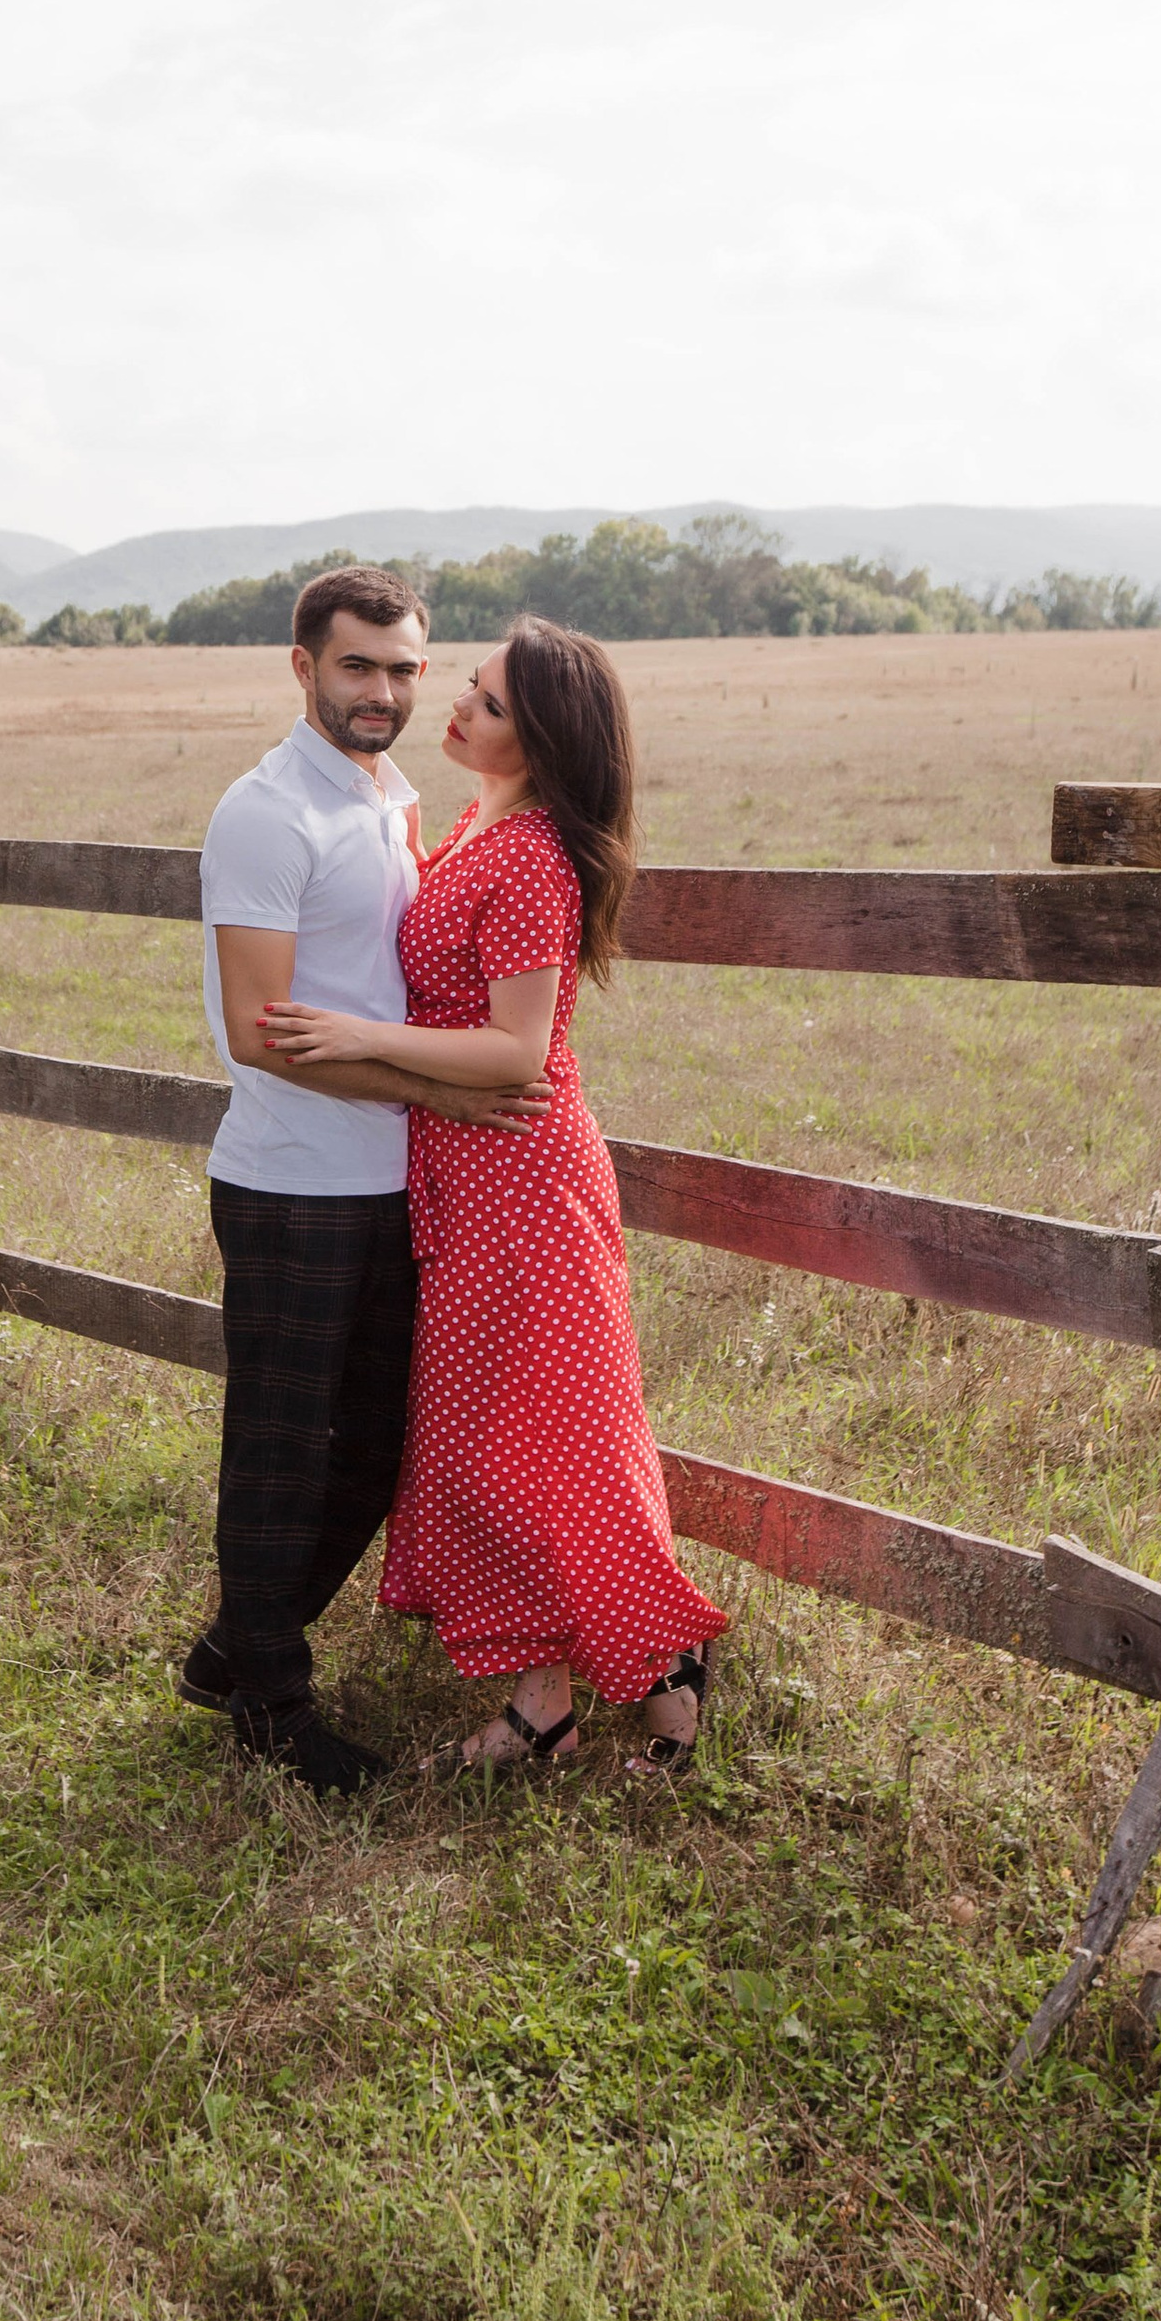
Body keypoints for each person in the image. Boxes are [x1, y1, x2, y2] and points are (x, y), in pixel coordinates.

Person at [262, 617, 725, 1774]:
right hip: (465, 1179)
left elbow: (518, 1050)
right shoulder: (479, 824)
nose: (456, 706)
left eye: (492, 704)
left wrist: (360, 1034)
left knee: (560, 1441)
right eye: (468, 686)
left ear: (547, 740)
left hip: (522, 1176)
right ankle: (547, 1702)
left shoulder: (527, 859)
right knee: (491, 1442)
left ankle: (667, 1678)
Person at [188, 564, 549, 1794]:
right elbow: (258, 1027)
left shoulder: (391, 800)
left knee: (378, 1435)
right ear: (303, 667)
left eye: (404, 669)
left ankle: (236, 1645)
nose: (384, 692)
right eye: (358, 665)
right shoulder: (265, 812)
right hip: (292, 1181)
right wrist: (448, 1094)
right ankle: (272, 1710)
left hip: (386, 1183)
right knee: (281, 1443)